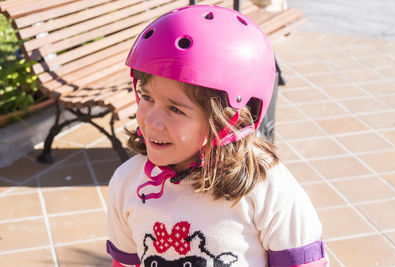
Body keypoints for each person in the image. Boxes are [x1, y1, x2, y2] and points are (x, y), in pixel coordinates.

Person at [106, 5, 327, 267]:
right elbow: (125, 262)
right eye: (147, 97)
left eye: (175, 109)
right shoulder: (127, 183)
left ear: (229, 120)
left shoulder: (265, 185)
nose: (152, 121)